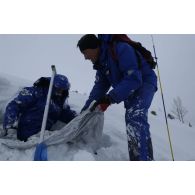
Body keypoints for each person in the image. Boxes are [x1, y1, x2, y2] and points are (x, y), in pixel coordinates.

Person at [77, 34, 157, 161]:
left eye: (85, 53)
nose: (86, 58)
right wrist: (86, 110)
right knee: (131, 118)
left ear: (95, 47)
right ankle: (140, 157)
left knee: (135, 116)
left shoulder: (121, 49)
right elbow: (98, 89)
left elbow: (134, 79)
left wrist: (110, 98)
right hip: (130, 85)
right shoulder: (102, 64)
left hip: (144, 82)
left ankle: (143, 160)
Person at [1, 74, 77, 141]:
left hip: (41, 136)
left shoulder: (59, 103)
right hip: (25, 132)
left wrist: (79, 118)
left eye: (63, 90)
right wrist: (9, 127)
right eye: (58, 89)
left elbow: (67, 115)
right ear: (52, 86)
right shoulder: (35, 92)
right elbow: (14, 105)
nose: (60, 93)